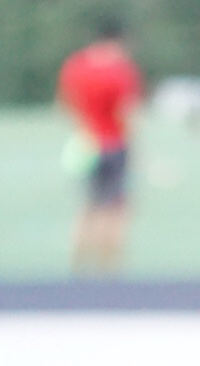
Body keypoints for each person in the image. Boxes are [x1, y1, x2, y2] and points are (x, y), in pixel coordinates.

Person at [57, 17, 142, 273]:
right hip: (114, 145)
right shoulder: (121, 70)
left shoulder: (75, 65)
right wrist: (136, 150)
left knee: (88, 208)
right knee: (115, 211)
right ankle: (109, 274)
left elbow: (65, 105)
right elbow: (126, 113)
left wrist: (84, 132)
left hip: (86, 146)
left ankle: (78, 271)